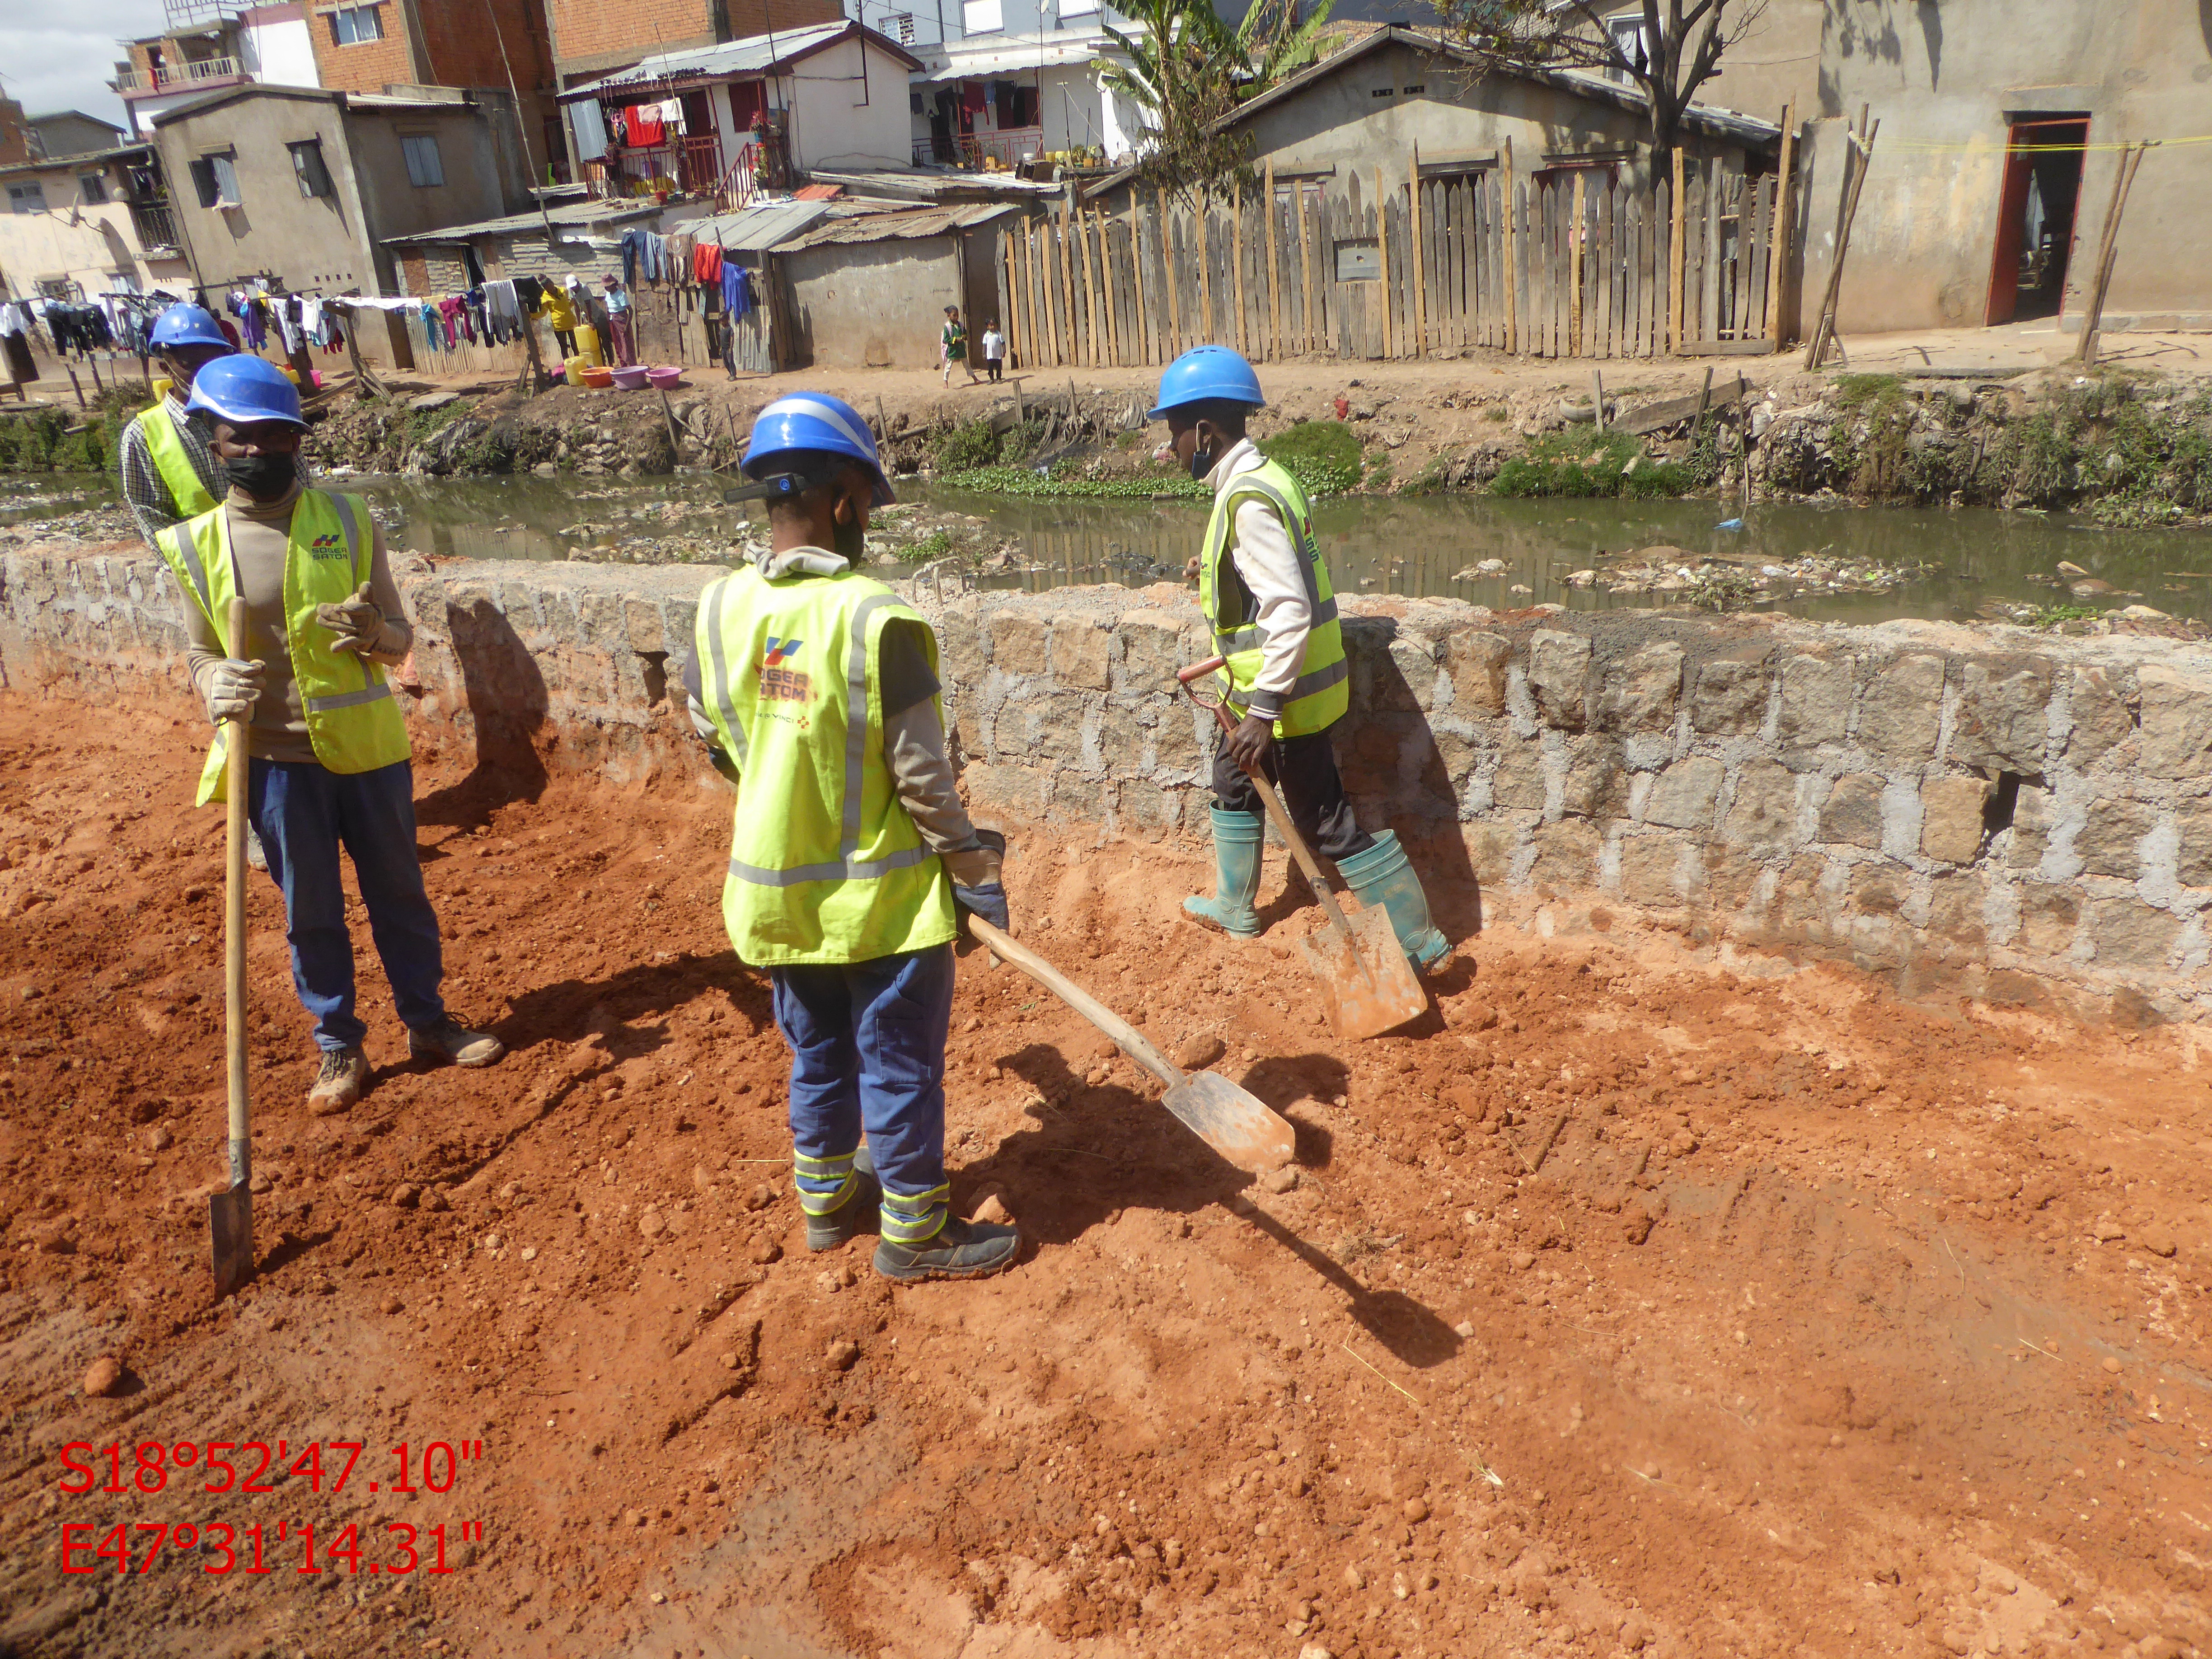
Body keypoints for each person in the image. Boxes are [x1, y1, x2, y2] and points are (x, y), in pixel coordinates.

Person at [684, 392, 1018, 1282]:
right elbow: (920, 780)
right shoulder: (879, 619)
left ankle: (828, 1208)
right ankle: (915, 1235)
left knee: (819, 1056)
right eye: (867, 502)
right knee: (899, 1065)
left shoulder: (719, 611)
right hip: (883, 907)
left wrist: (782, 785)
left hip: (777, 898)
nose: (869, 519)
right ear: (840, 499)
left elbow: (715, 737)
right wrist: (973, 870)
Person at [155, 356, 506, 1114]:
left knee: (400, 896)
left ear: (297, 441)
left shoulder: (347, 519)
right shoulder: (193, 545)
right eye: (240, 439)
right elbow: (199, 651)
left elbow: (400, 635)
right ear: (213, 443)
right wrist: (215, 683)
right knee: (309, 910)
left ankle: (428, 1020)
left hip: (368, 754)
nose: (258, 452)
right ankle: (338, 1044)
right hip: (277, 764)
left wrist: (375, 632)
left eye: (276, 437)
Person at [1154, 345, 1450, 972]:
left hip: (1284, 700)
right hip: (1270, 691)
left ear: (1204, 432)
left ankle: (1420, 943)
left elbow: (1287, 608)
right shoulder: (1266, 479)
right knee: (1232, 783)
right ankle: (1236, 905)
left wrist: (1263, 712)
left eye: (1175, 432)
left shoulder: (1249, 502)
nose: (1171, 447)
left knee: (1326, 824)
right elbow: (1270, 578)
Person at [118, 302, 308, 553]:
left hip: (285, 548)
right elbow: (154, 521)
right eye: (192, 365)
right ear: (166, 367)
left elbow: (301, 483)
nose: (205, 373)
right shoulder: (144, 434)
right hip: (211, 566)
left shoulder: (250, 407)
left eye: (213, 361)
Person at [601, 274, 636, 367]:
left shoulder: (621, 295)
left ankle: (632, 366)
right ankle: (623, 365)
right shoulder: (608, 294)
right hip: (613, 320)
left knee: (626, 343)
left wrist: (627, 326)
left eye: (607, 287)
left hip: (622, 320)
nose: (606, 289)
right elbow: (608, 306)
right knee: (617, 343)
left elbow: (631, 311)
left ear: (613, 285)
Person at [939, 305, 975, 386]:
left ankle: (975, 379)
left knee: (967, 365)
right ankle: (946, 382)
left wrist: (964, 337)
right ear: (949, 316)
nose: (956, 317)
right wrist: (955, 340)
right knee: (948, 367)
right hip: (952, 351)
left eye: (957, 315)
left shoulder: (961, 325)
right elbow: (946, 339)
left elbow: (965, 334)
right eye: (954, 315)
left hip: (961, 350)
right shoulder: (947, 327)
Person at [980, 319, 1005, 384]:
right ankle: (991, 379)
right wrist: (984, 354)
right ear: (988, 327)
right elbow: (984, 345)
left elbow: (1003, 343)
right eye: (991, 325)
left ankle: (999, 379)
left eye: (995, 325)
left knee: (998, 368)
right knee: (990, 368)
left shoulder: (999, 334)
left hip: (998, 355)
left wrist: (1004, 351)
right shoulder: (986, 335)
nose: (993, 327)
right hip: (990, 356)